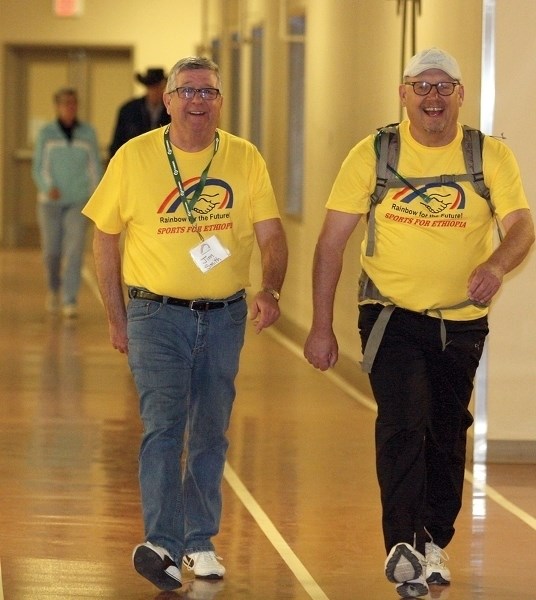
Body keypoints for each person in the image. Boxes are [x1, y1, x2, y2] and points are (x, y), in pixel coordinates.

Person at [304, 48, 534, 598]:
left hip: (461, 323)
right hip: (390, 315)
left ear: (459, 95)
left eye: (443, 87)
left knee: (447, 429)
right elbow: (332, 244)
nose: (432, 97)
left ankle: (434, 540)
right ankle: (402, 543)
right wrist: (319, 325)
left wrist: (496, 265)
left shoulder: (489, 156)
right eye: (421, 86)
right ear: (403, 94)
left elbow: (523, 226)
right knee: (404, 420)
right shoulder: (374, 154)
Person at [83, 56, 287, 591]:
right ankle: (162, 543)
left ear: (221, 101)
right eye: (188, 91)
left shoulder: (245, 158)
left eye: (209, 92)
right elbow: (104, 237)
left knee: (210, 430)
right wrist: (115, 314)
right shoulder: (134, 157)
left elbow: (270, 234)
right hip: (155, 314)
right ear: (168, 100)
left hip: (224, 317)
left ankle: (199, 541)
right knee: (163, 427)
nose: (198, 101)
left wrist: (272, 287)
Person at [32, 87, 103, 318]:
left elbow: (95, 166)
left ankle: (69, 298)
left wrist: (94, 195)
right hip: (50, 202)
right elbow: (38, 166)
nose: (70, 107)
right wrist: (46, 186)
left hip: (78, 201)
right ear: (57, 106)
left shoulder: (87, 133)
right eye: (65, 103)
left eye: (73, 103)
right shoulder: (47, 133)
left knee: (73, 251)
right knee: (52, 251)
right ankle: (54, 289)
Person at [108, 67, 171, 158]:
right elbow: (117, 142)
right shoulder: (129, 110)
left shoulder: (171, 111)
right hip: (134, 159)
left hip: (163, 160)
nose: (155, 91)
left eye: (158, 87)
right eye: (152, 87)